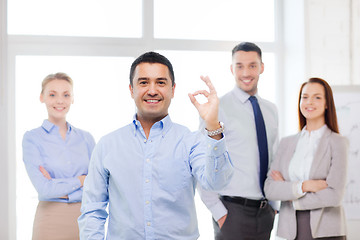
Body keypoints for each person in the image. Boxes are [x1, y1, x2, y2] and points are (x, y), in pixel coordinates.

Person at [78, 51, 233, 239]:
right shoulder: (107, 145)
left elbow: (217, 182)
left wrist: (213, 125)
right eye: (143, 82)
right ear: (131, 89)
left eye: (161, 82)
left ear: (173, 89)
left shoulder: (191, 141)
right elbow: (92, 210)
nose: (152, 90)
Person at [197, 42, 279, 240]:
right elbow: (202, 160)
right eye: (240, 66)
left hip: (265, 212)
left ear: (262, 67)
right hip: (232, 212)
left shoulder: (271, 110)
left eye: (252, 65)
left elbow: (273, 158)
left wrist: (274, 206)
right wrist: (220, 213)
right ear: (231, 69)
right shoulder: (218, 107)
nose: (246, 72)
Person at [264, 78, 348, 240]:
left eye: (317, 97)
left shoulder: (338, 143)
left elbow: (335, 195)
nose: (309, 102)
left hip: (326, 230)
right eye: (305, 97)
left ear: (326, 103)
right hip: (290, 230)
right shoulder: (286, 143)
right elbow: (270, 189)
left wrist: (290, 196)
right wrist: (305, 186)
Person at [22, 72, 96, 240]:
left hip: (86, 220)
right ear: (42, 97)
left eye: (66, 94)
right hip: (50, 219)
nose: (60, 101)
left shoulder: (86, 138)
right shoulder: (32, 138)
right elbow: (44, 189)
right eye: (52, 94)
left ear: (73, 98)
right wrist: (81, 180)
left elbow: (97, 185)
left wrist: (57, 187)